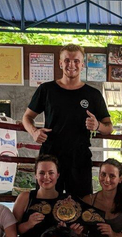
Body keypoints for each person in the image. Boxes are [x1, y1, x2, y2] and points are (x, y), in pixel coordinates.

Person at [21, 44, 113, 198]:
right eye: (67, 60)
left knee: (81, 204)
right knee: (46, 203)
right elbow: (27, 117)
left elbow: (109, 127)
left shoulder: (93, 94)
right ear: (60, 63)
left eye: (76, 61)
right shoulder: (46, 90)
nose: (71, 65)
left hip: (79, 158)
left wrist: (97, 125)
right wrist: (34, 131)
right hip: (51, 157)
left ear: (83, 64)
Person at [13, 155, 69, 237]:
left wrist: (65, 230)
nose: (46, 177)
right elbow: (13, 231)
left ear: (57, 175)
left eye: (51, 173)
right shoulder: (25, 198)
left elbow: (74, 235)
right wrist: (28, 224)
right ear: (36, 175)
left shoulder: (66, 201)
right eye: (42, 173)